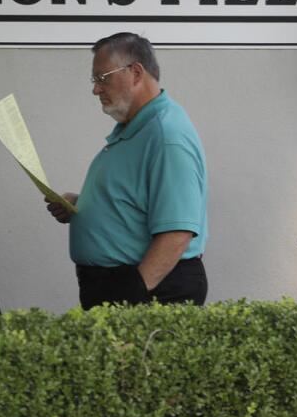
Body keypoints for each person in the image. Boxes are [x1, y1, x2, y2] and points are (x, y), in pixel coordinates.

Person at [46, 32, 209, 309]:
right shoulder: (137, 128)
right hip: (128, 284)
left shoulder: (165, 135)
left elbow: (178, 232)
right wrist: (84, 206)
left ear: (135, 73)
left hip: (150, 290)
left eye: (102, 78)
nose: (96, 89)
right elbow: (137, 198)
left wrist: (130, 295)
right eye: (94, 80)